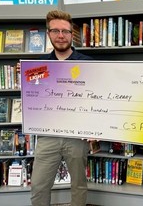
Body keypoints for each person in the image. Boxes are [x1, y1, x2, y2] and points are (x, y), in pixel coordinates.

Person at [31, 10, 93, 206]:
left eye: (65, 31)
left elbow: (98, 99)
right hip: (47, 136)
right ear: (48, 33)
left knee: (79, 185)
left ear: (71, 34)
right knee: (38, 185)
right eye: (55, 31)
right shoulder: (37, 67)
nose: (60, 35)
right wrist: (25, 78)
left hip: (77, 136)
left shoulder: (88, 64)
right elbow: (34, 100)